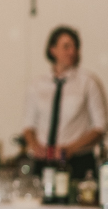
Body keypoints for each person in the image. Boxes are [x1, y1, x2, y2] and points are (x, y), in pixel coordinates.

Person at [23, 26, 107, 179]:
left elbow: (100, 127)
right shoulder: (37, 85)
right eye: (66, 46)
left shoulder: (88, 82)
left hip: (77, 160)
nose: (72, 52)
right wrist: (35, 147)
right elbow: (28, 125)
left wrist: (70, 149)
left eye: (75, 47)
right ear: (53, 49)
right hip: (45, 161)